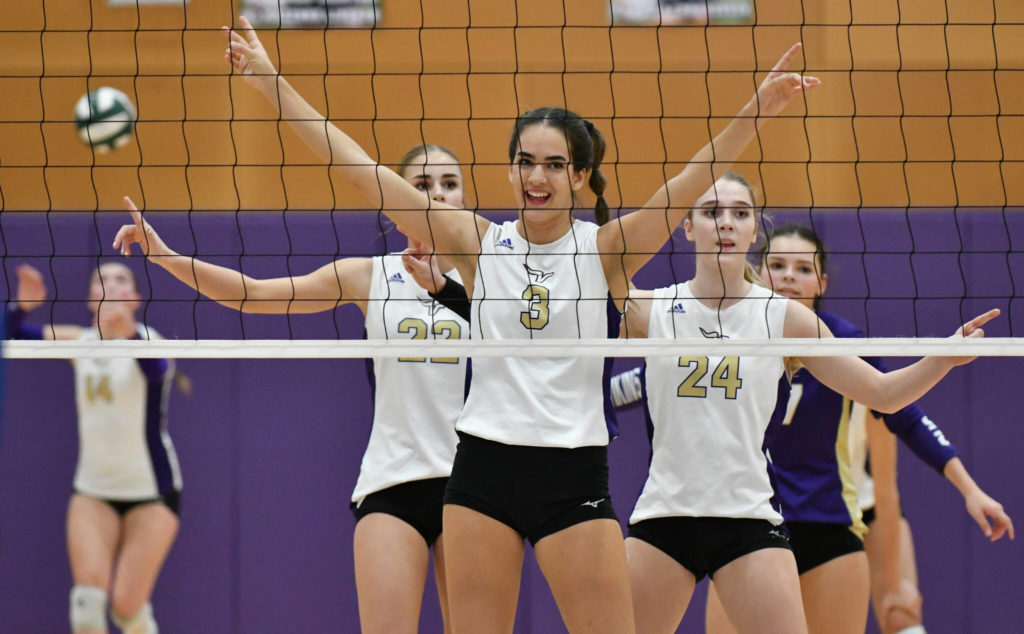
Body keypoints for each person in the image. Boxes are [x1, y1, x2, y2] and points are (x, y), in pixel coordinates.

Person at [217, 15, 819, 631]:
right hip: (484, 471)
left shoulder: (605, 250)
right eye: (525, 162)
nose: (537, 177)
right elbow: (360, 170)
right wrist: (271, 84)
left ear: (579, 176)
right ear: (509, 169)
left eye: (555, 165)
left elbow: (689, 180)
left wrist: (759, 109)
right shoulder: (477, 243)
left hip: (573, 474)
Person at [114, 142, 470, 633]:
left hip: (472, 484)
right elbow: (256, 294)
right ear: (395, 202)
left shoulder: (489, 277)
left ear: (465, 198)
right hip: (393, 481)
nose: (437, 194)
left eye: (450, 183)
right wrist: (165, 257)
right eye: (422, 184)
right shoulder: (370, 276)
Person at [619, 173, 999, 634]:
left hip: (749, 522)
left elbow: (883, 394)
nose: (726, 223)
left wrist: (942, 359)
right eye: (711, 212)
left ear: (754, 231)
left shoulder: (788, 320)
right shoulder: (649, 309)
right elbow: (604, 272)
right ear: (685, 225)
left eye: (740, 213)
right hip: (664, 517)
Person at [698, 223, 1013, 634]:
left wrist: (971, 490)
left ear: (822, 283)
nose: (790, 276)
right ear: (757, 272)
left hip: (828, 527)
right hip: (748, 524)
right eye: (777, 265)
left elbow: (905, 415)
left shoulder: (843, 340)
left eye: (803, 268)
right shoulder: (726, 336)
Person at [6, 262, 179, 634]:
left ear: (135, 298)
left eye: (121, 280)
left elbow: (156, 370)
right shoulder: (80, 341)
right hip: (93, 490)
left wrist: (128, 334)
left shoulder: (152, 340)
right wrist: (21, 307)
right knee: (86, 612)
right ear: (90, 299)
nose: (111, 286)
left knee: (127, 609)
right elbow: (11, 334)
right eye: (101, 281)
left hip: (152, 492)